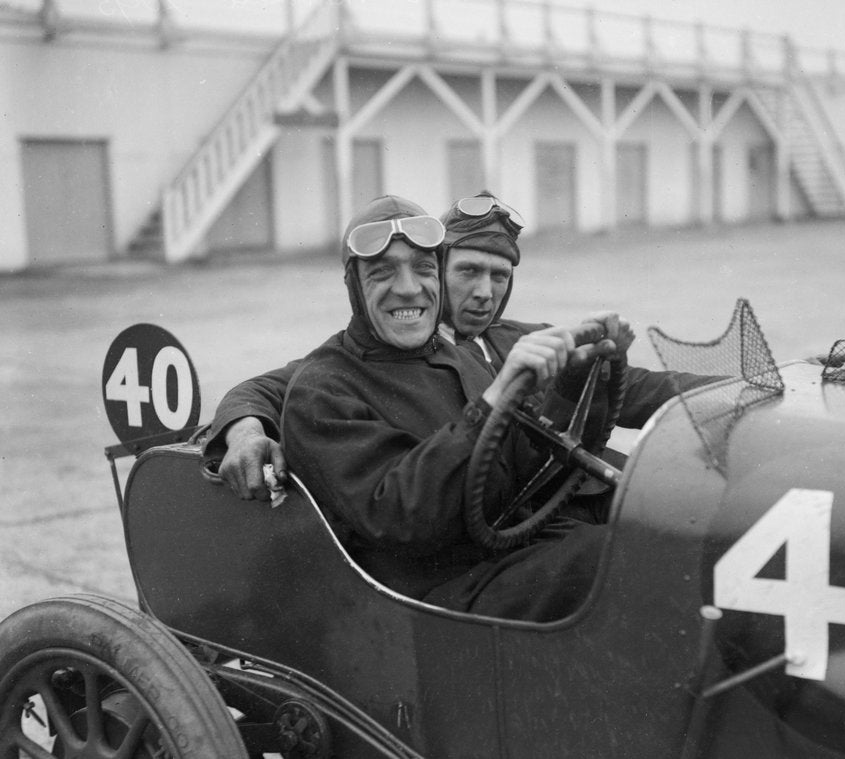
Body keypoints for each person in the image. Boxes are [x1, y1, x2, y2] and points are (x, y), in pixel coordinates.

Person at [204, 191, 716, 501]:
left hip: (567, 496)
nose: (484, 292)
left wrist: (732, 391)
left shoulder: (520, 339)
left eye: (499, 276)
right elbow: (266, 388)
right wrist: (246, 431)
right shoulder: (352, 367)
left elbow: (645, 390)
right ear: (440, 271)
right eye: (468, 271)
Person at [267, 194, 627, 621]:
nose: (408, 287)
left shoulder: (458, 356)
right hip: (432, 601)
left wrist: (574, 384)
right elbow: (401, 518)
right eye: (383, 273)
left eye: (423, 268)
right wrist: (493, 402)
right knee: (622, 569)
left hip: (510, 555)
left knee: (657, 537)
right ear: (354, 287)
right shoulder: (323, 389)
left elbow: (529, 476)